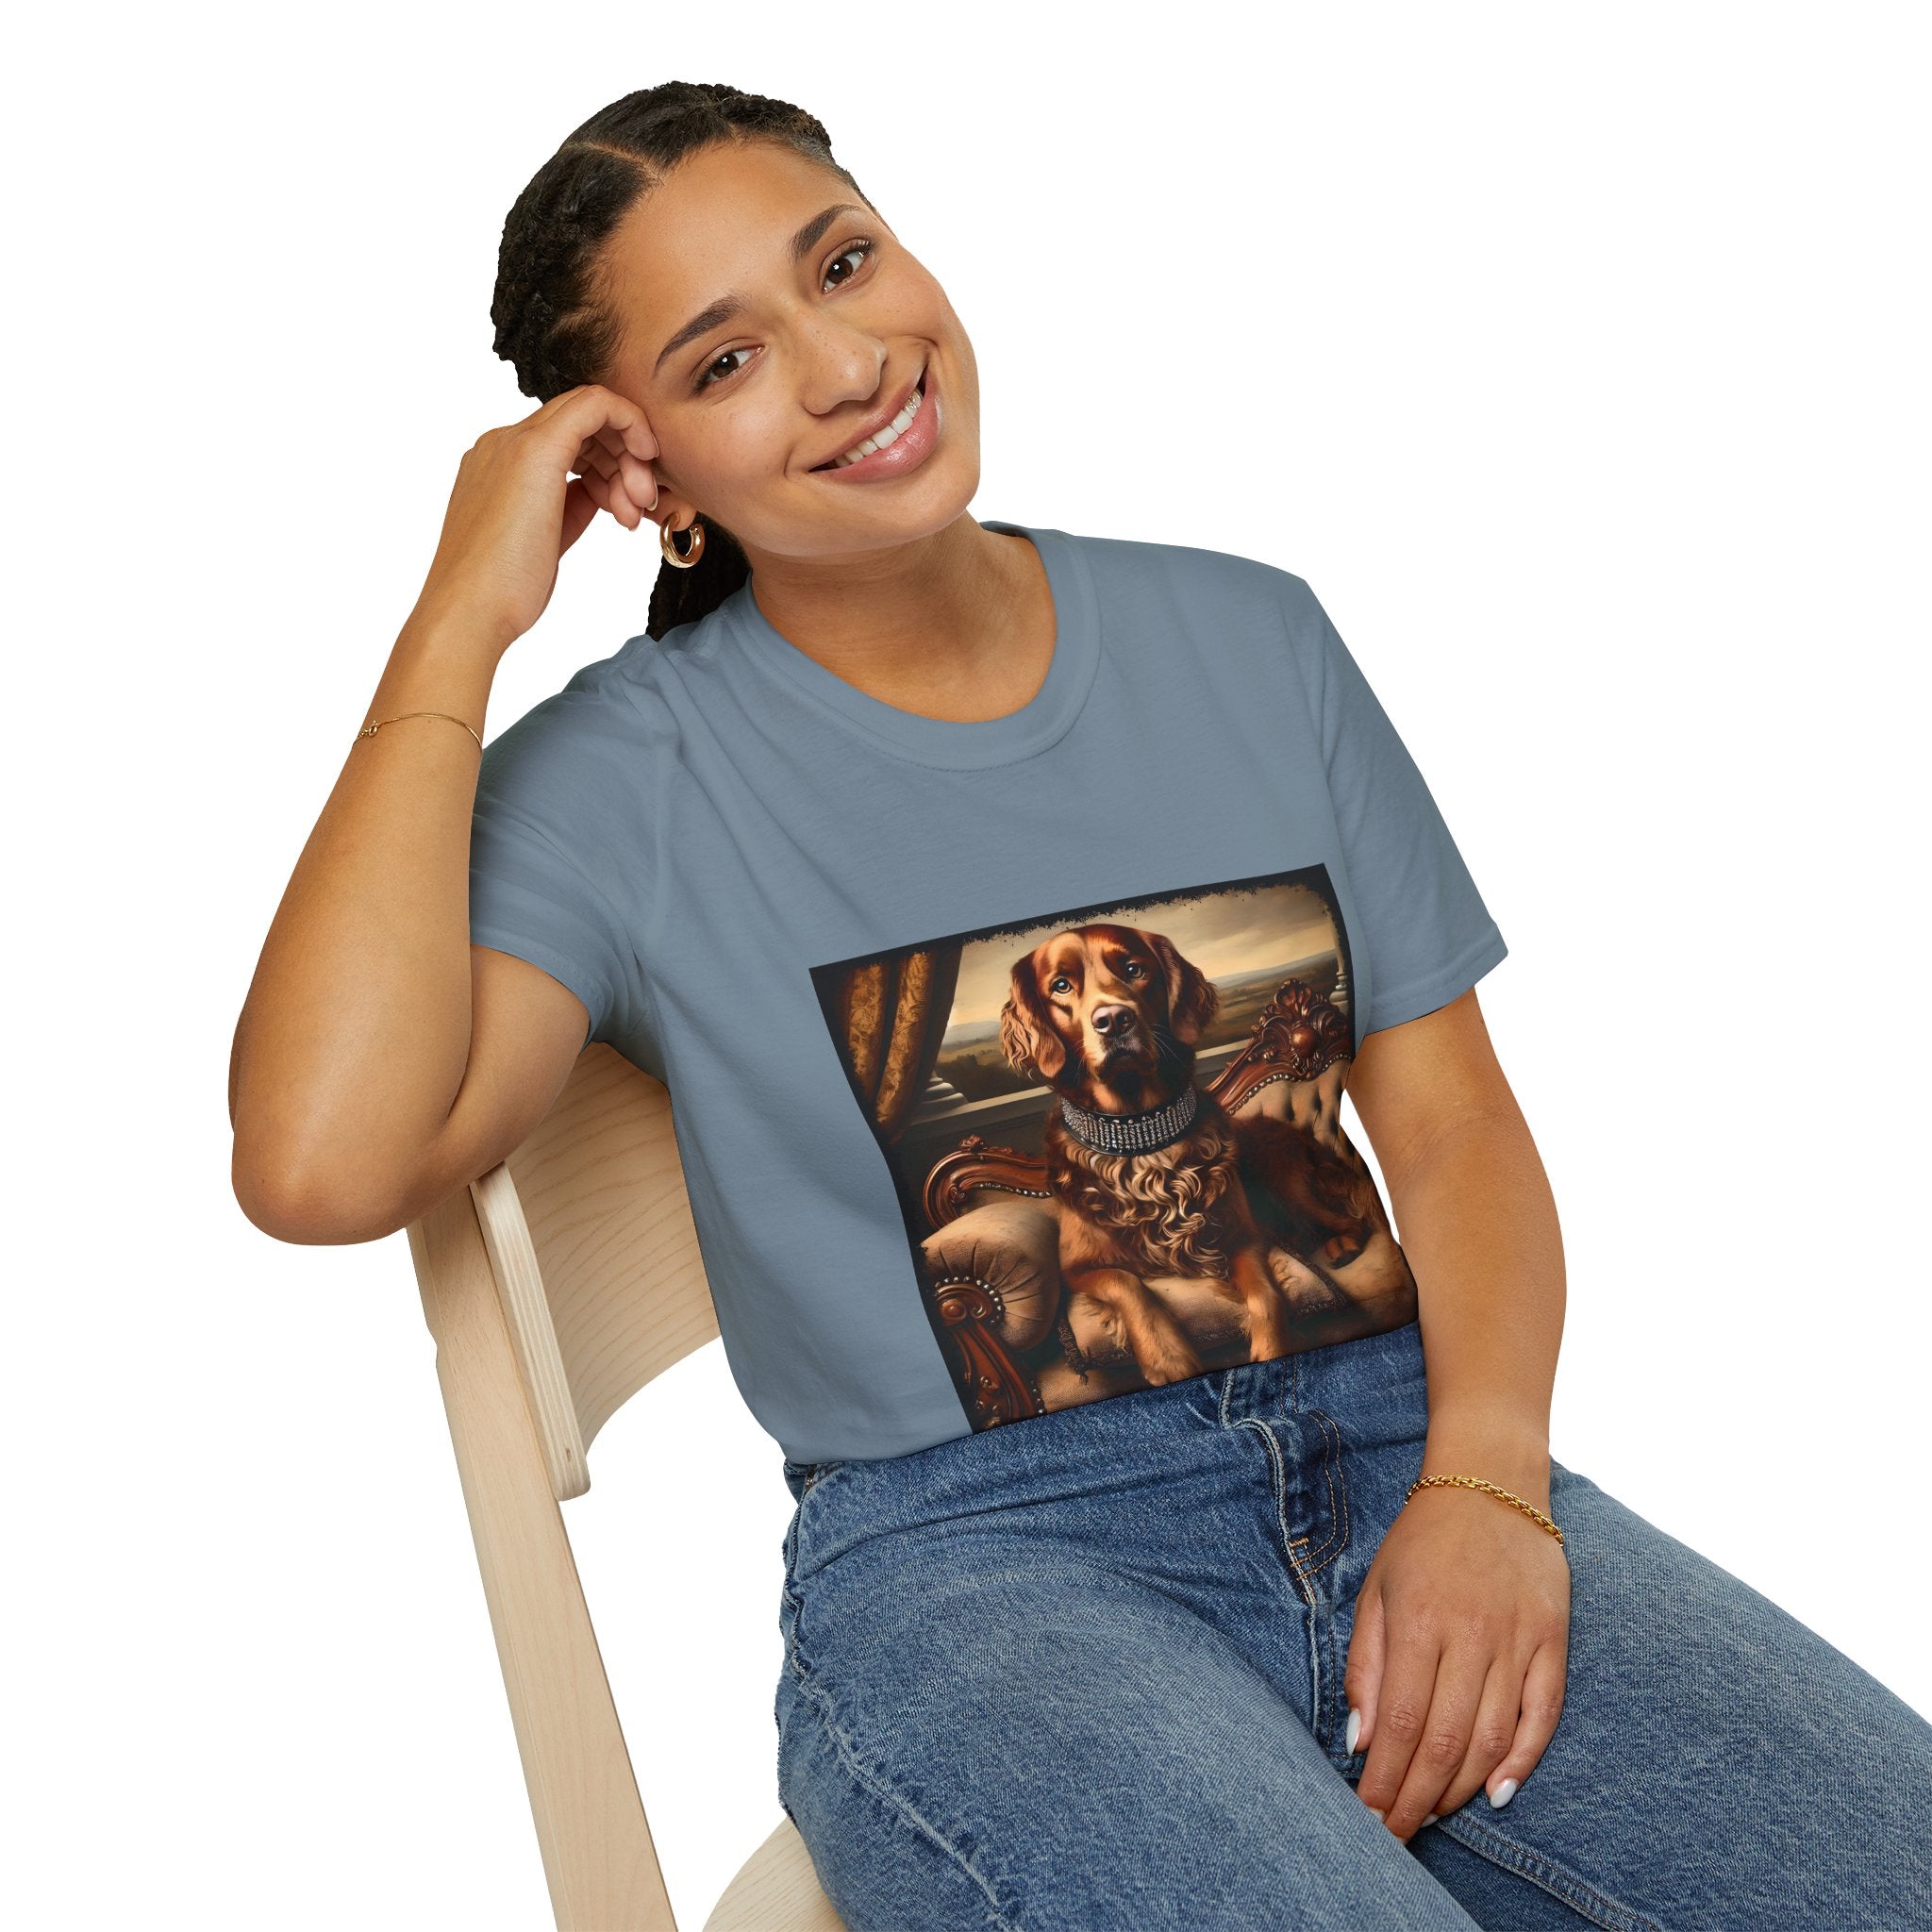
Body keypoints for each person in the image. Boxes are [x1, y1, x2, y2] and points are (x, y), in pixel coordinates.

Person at [228, 80, 1932, 1932]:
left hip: (1403, 1448)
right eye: (724, 362)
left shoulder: (1248, 639)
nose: (845, 361)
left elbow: (1448, 1128)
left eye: (845, 263)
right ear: (650, 482)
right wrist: (456, 619)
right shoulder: (628, 777)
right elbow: (320, 1158)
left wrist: (1490, 1486)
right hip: (985, 1568)